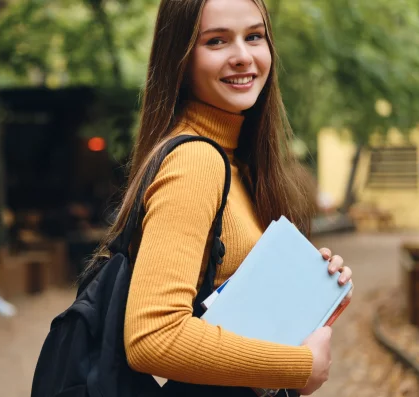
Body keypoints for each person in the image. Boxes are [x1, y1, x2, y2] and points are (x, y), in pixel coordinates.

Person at [85, 1, 354, 396]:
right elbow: (153, 336)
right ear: (181, 57)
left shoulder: (235, 161)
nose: (243, 57)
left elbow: (225, 310)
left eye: (254, 36)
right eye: (216, 41)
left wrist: (310, 292)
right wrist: (298, 367)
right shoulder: (196, 162)